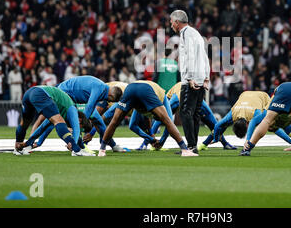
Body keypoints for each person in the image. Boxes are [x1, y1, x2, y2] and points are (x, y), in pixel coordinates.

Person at [99, 80, 198, 157]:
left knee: (114, 122)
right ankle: (184, 150)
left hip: (131, 87)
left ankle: (102, 150)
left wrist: (151, 138)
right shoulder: (161, 98)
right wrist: (154, 139)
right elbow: (168, 121)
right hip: (145, 89)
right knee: (167, 120)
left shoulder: (141, 107)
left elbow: (136, 123)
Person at [136, 82, 236, 151]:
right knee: (212, 122)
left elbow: (167, 123)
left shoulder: (170, 98)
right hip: (192, 95)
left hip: (184, 95)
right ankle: (224, 143)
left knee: (166, 119)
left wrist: (159, 142)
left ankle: (149, 144)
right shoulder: (173, 95)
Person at [170, 10, 210, 153]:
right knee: (195, 114)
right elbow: (204, 56)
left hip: (191, 79)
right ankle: (193, 146)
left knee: (185, 112)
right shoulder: (196, 33)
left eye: (171, 22)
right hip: (199, 78)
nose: (171, 26)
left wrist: (190, 77)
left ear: (177, 22)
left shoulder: (186, 34)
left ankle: (191, 146)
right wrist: (206, 77)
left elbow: (191, 56)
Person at [14, 86, 93, 156]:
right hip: (41, 93)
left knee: (24, 124)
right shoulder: (73, 109)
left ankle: (17, 148)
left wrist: (29, 142)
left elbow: (42, 128)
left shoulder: (57, 113)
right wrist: (75, 146)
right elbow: (76, 130)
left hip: (29, 93)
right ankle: (76, 151)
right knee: (59, 121)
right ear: (80, 120)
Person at [55, 76, 125, 152]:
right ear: (111, 96)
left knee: (98, 121)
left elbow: (91, 109)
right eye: (112, 100)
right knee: (76, 122)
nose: (110, 102)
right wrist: (85, 125)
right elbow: (89, 107)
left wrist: (89, 130)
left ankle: (113, 145)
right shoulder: (100, 89)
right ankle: (75, 145)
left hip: (74, 96)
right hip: (66, 93)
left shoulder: (103, 89)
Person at [213, 91, 291, 148]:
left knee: (272, 122)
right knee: (269, 123)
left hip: (263, 97)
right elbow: (217, 125)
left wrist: (216, 139)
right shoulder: (234, 114)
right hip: (246, 94)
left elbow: (217, 125)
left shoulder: (235, 114)